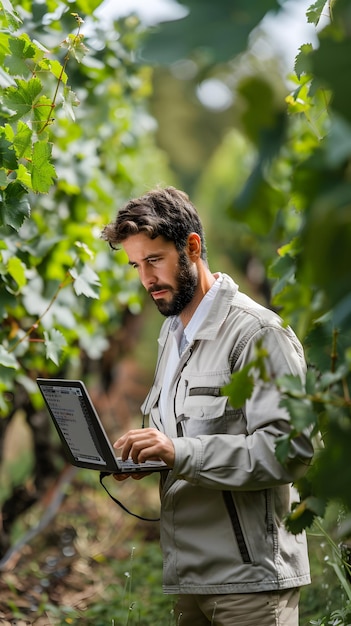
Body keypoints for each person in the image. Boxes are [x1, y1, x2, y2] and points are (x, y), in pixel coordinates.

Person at [101, 186, 313, 626]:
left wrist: (179, 453)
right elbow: (183, 440)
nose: (146, 279)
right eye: (136, 265)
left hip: (251, 583)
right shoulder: (172, 335)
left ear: (192, 247)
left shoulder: (257, 334)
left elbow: (291, 451)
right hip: (188, 574)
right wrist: (146, 458)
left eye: (154, 260)